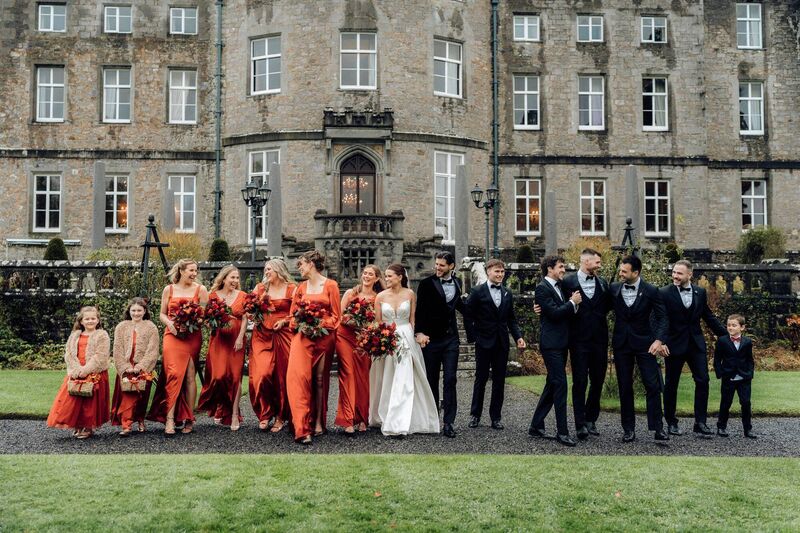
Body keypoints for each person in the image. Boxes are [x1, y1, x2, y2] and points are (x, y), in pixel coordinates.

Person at [660, 259, 727, 437]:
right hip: (673, 345)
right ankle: (671, 422)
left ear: (690, 275)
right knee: (671, 384)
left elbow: (708, 316)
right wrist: (661, 341)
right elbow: (660, 320)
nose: (675, 276)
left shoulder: (700, 292)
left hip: (696, 344)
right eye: (674, 272)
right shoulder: (664, 293)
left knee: (703, 381)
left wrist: (726, 335)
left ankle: (700, 422)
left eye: (679, 273)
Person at [370, 264, 439, 436]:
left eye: (390, 276)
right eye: (385, 276)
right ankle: (386, 414)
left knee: (405, 376)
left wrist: (417, 336)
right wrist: (380, 340)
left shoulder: (410, 294)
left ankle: (399, 421)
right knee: (388, 377)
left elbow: (412, 320)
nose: (386, 279)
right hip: (387, 338)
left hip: (406, 337)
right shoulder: (380, 296)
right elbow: (377, 323)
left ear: (400, 277)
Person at [610, 255, 669, 443]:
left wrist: (659, 340)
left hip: (646, 344)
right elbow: (595, 307)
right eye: (620, 270)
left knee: (652, 386)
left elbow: (663, 318)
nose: (620, 273)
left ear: (636, 272)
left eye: (624, 271)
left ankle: (658, 428)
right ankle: (628, 429)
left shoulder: (651, 290)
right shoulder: (613, 289)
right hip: (621, 344)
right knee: (625, 386)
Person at [147, 258, 208, 435]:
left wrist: (193, 321)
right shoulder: (169, 289)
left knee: (190, 375)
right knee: (173, 374)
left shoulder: (201, 290)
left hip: (192, 336)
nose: (194, 274)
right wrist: (172, 325)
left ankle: (189, 418)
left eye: (196, 270)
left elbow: (203, 316)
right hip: (172, 335)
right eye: (191, 270)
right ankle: (170, 419)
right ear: (181, 271)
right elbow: (162, 314)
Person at [286, 250, 341, 444]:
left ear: (311, 263)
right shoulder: (300, 287)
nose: (299, 268)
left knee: (319, 380)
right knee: (299, 379)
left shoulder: (331, 285)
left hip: (324, 337)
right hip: (302, 338)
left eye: (301, 264)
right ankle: (302, 428)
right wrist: (301, 325)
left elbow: (336, 316)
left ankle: (318, 422)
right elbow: (293, 315)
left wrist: (319, 325)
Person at [465, 258, 525, 430]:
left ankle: (496, 417)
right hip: (483, 342)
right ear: (488, 271)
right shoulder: (477, 292)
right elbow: (468, 315)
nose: (500, 275)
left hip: (501, 342)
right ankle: (475, 415)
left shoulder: (507, 293)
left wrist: (518, 337)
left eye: (502, 272)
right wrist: (473, 337)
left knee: (499, 381)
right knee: (481, 379)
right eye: (497, 271)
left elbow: (511, 319)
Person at [529, 255, 581, 447]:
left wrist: (571, 305)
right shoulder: (542, 288)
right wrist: (573, 303)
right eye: (560, 267)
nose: (563, 270)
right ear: (549, 269)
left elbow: (561, 312)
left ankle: (535, 425)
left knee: (552, 384)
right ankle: (562, 432)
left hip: (562, 342)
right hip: (551, 344)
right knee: (560, 384)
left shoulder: (561, 287)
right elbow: (554, 314)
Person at [560, 248, 612, 439]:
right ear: (586, 261)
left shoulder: (603, 283)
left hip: (599, 340)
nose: (600, 265)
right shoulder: (567, 283)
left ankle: (591, 418)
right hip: (578, 340)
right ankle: (580, 423)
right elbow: (558, 305)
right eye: (597, 262)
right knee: (580, 381)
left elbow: (608, 306)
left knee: (598, 380)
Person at [414, 251, 465, 438]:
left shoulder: (458, 282)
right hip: (432, 339)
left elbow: (459, 305)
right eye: (436, 264)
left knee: (451, 379)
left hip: (451, 339)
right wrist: (419, 332)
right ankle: (433, 418)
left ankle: (449, 422)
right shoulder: (426, 284)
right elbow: (420, 311)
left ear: (451, 266)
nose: (437, 267)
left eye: (441, 265)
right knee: (432, 379)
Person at [47, 306, 111, 439]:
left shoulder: (102, 335)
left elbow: (100, 356)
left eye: (93, 318)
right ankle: (77, 425)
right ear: (81, 321)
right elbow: (69, 354)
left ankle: (88, 427)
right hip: (76, 372)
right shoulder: (75, 335)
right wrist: (75, 370)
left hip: (94, 372)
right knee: (74, 400)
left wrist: (85, 370)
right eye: (87, 319)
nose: (90, 321)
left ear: (98, 320)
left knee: (89, 403)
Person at [198, 265, 248, 431]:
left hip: (236, 340)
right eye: (232, 278)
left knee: (235, 378)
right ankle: (221, 407)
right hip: (218, 339)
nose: (234, 281)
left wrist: (241, 337)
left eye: (237, 278)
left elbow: (245, 319)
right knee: (218, 377)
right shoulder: (213, 296)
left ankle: (234, 414)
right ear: (224, 278)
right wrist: (210, 324)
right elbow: (204, 317)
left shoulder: (243, 296)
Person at [249, 258, 297, 432]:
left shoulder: (292, 288)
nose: (266, 272)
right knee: (261, 375)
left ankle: (281, 416)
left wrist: (284, 321)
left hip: (284, 335)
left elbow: (297, 313)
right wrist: (254, 315)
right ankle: (265, 412)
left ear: (278, 270)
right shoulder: (260, 289)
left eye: (269, 269)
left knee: (282, 377)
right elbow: (251, 309)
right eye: (265, 269)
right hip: (262, 335)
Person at [336, 265, 384, 434]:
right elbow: (340, 315)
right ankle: (347, 419)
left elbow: (378, 322)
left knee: (363, 379)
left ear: (377, 278)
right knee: (347, 374)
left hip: (364, 340)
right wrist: (351, 320)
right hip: (345, 336)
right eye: (365, 273)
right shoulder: (351, 293)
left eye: (371, 274)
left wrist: (367, 328)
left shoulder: (378, 297)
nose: (367, 276)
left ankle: (362, 418)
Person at [110, 298, 159, 436]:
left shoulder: (151, 327)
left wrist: (141, 366)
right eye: (133, 310)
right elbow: (117, 348)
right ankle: (126, 424)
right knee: (127, 395)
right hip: (126, 367)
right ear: (129, 311)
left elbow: (153, 350)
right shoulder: (121, 326)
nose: (136, 313)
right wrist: (125, 367)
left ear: (144, 311)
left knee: (141, 395)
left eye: (139, 310)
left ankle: (140, 419)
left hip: (143, 367)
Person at [714, 314, 757, 439]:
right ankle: (721, 427)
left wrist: (750, 374)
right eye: (728, 325)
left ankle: (747, 429)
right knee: (726, 402)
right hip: (728, 376)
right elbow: (717, 359)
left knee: (746, 402)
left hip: (744, 378)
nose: (730, 327)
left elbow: (750, 359)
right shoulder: (722, 341)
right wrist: (720, 373)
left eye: (734, 325)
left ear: (742, 327)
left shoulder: (747, 342)